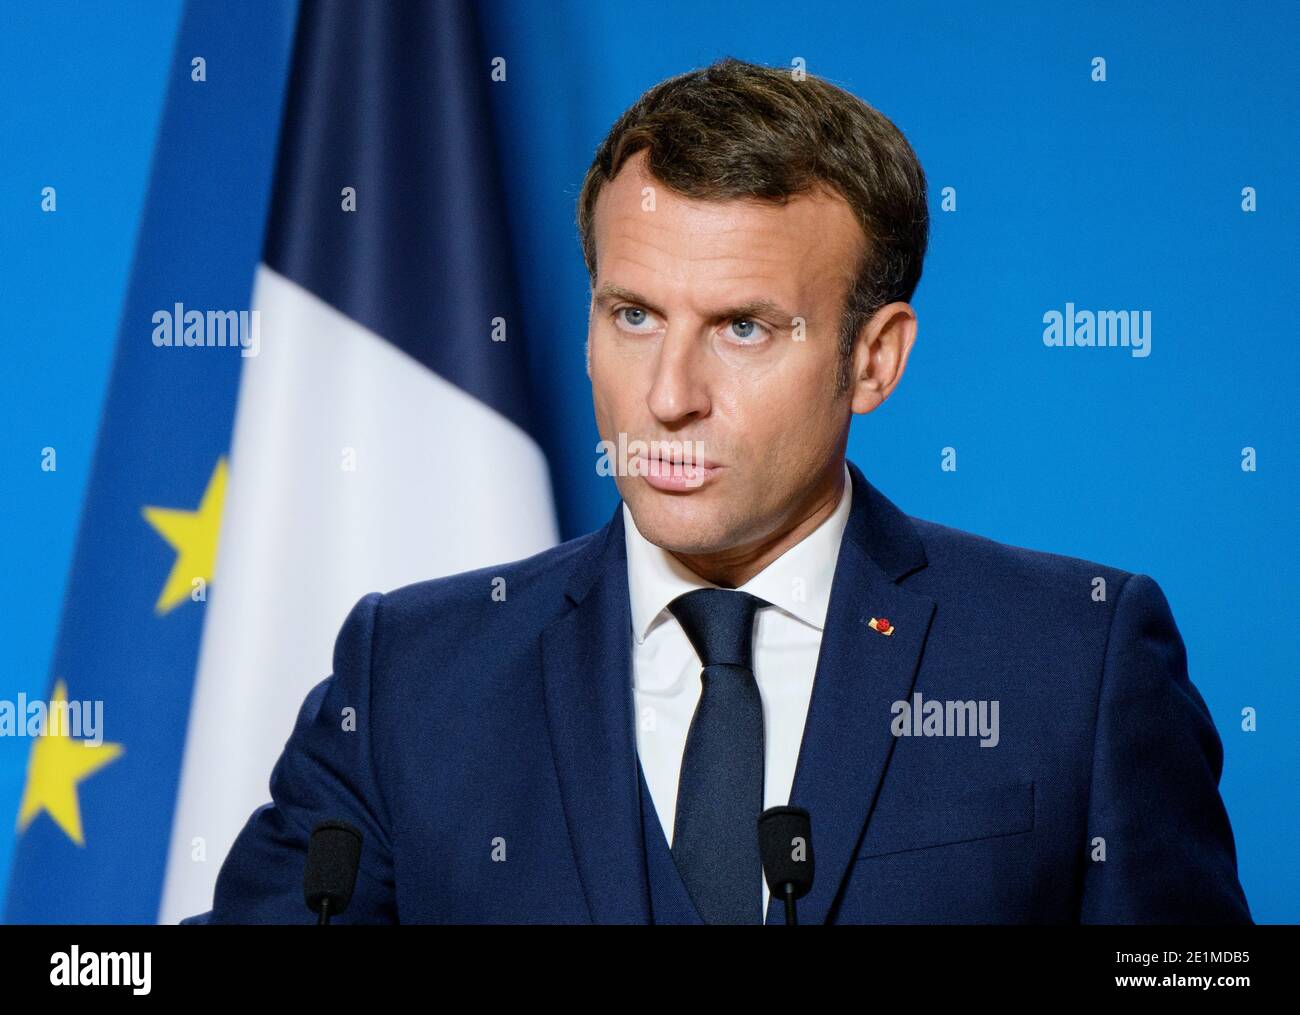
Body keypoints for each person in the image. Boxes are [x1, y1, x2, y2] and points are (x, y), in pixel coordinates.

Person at [184, 57, 1251, 924]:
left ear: (872, 360)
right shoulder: (413, 673)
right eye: (633, 315)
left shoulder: (1076, 660)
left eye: (743, 327)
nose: (669, 395)